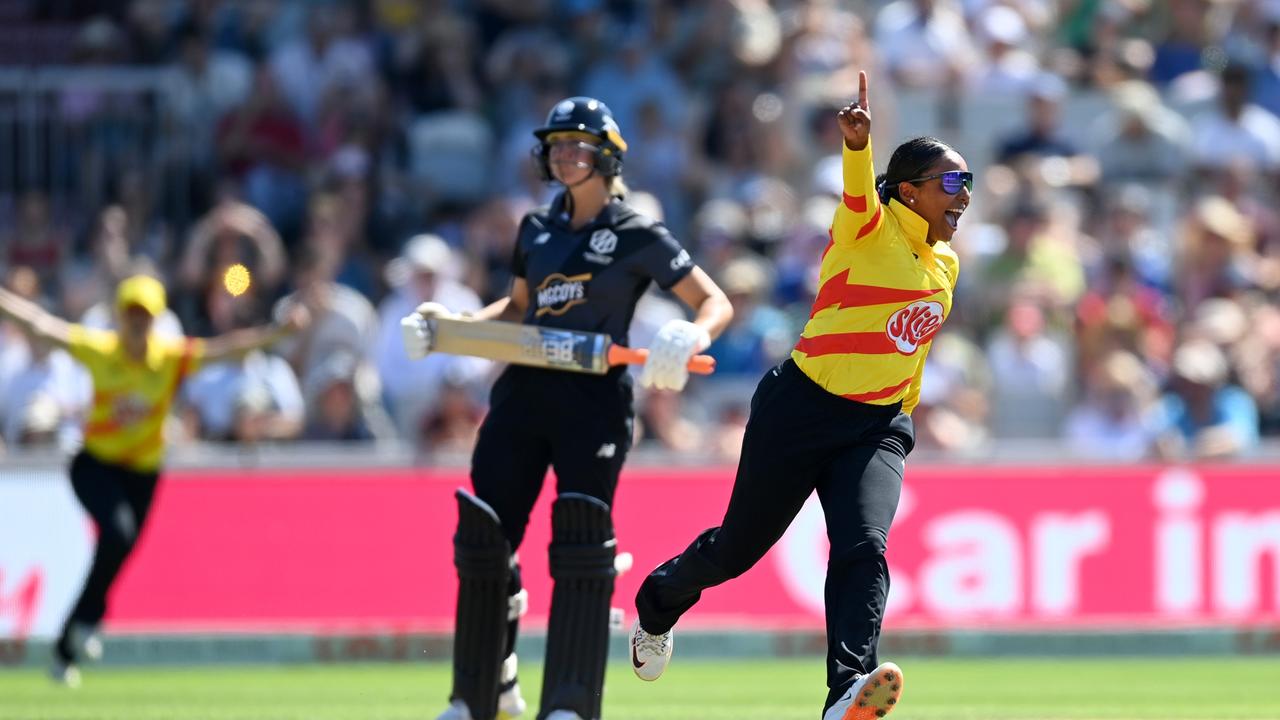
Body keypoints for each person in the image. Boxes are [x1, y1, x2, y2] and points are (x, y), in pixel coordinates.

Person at [629, 72, 968, 720]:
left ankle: (847, 689)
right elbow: (859, 194)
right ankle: (658, 601)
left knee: (864, 546)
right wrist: (858, 147)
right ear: (907, 190)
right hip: (803, 406)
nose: (964, 197)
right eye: (952, 183)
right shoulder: (868, 228)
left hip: (879, 424)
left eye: (968, 185)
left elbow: (910, 348)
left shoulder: (945, 262)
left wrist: (901, 411)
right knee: (737, 551)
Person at [402, 96, 733, 720]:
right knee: (484, 538)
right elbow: (517, 309)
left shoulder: (638, 233)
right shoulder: (536, 228)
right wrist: (454, 326)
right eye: (555, 145)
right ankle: (480, 691)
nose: (563, 155)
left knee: (582, 542)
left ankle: (571, 702)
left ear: (607, 156)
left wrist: (692, 334)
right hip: (523, 393)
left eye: (576, 144)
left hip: (594, 401)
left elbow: (712, 301)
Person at [0, 274, 309, 688]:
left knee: (119, 549)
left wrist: (278, 333)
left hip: (143, 474)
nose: (139, 327)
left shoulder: (169, 358)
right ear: (120, 319)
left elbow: (226, 350)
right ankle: (87, 623)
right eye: (131, 317)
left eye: (145, 317)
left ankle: (70, 643)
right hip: (96, 464)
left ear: (156, 319)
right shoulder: (101, 351)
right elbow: (40, 325)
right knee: (118, 534)